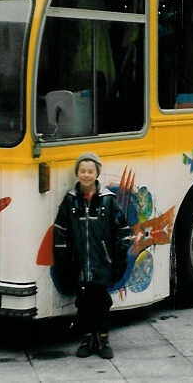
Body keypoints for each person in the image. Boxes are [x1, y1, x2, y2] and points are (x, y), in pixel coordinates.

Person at [53, 152, 131, 359]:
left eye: (90, 171)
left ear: (97, 173)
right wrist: (63, 260)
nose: (86, 175)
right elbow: (61, 230)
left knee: (102, 302)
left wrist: (120, 259)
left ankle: (103, 339)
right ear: (77, 173)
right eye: (82, 171)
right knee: (84, 302)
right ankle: (87, 339)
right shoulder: (70, 201)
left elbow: (122, 231)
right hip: (79, 264)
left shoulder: (108, 201)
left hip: (102, 262)